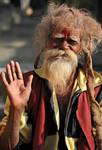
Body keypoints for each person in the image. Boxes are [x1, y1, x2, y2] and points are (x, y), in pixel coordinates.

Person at [0, 3, 102, 150]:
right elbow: (5, 147)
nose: (64, 46)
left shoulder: (98, 88)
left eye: (72, 41)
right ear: (46, 42)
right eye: (58, 39)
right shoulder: (26, 84)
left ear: (82, 48)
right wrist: (16, 110)